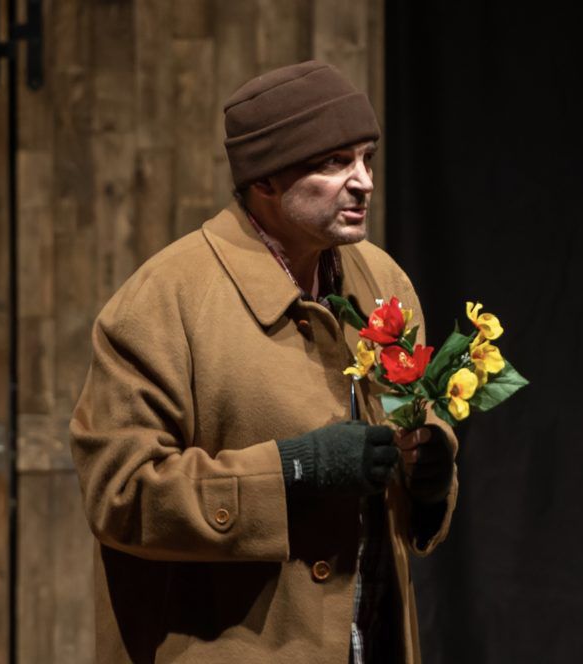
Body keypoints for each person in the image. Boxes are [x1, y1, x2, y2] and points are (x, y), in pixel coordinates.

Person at [70, 60, 457, 664]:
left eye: (367, 158)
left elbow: (411, 425)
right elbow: (120, 494)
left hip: (370, 639)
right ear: (265, 180)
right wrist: (295, 469)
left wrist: (427, 477)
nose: (363, 182)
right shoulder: (165, 301)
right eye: (334, 163)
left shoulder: (384, 283)